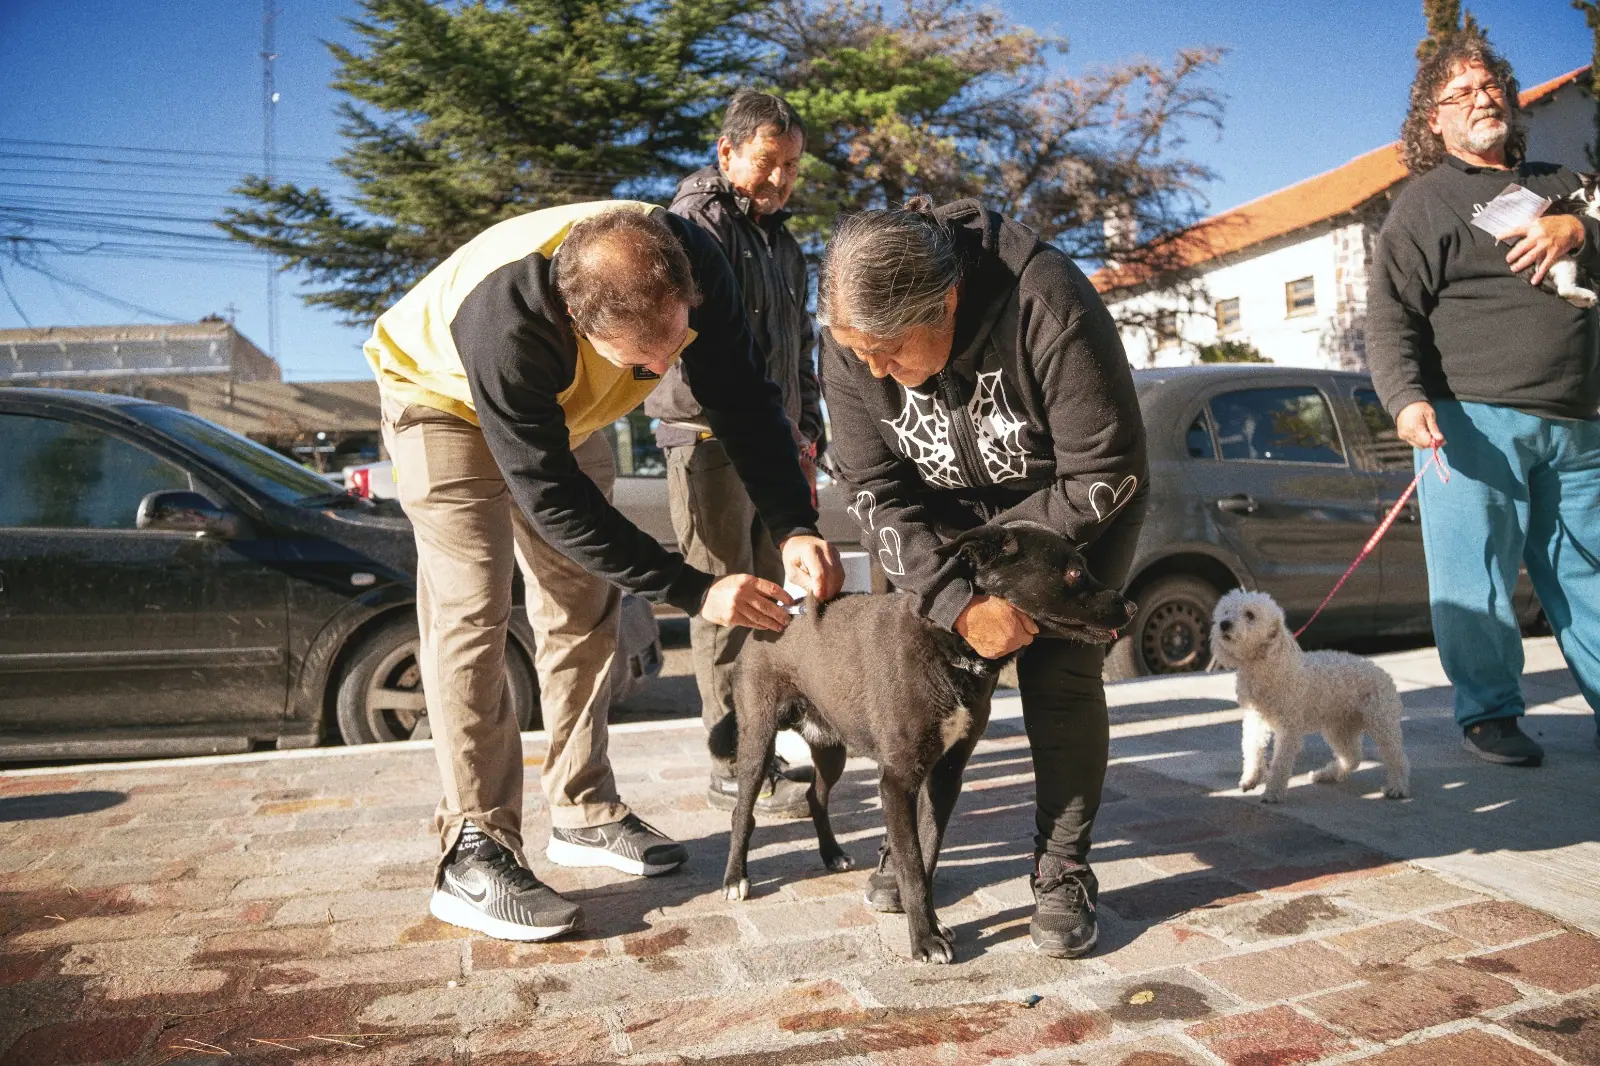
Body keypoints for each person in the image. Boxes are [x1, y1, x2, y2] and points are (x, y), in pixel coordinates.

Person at [366, 201, 843, 942]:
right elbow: (553, 500)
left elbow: (744, 400)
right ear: (575, 320)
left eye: (674, 347)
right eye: (640, 366)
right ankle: (473, 847)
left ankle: (582, 808)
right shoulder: (505, 322)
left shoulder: (695, 262)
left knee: (584, 606)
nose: (661, 372)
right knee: (472, 611)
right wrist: (695, 589)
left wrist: (794, 525)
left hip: (562, 410)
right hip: (440, 400)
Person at [817, 196, 1148, 958]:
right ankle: (907, 843)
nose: (875, 371)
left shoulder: (1047, 301)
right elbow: (872, 488)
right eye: (857, 351)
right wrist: (957, 598)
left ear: (947, 301)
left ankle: (1062, 867)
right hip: (946, 529)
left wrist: (1005, 583)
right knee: (915, 677)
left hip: (1072, 509)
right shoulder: (850, 344)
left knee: (1060, 676)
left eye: (889, 350)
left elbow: (1103, 467)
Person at [1368, 30, 1600, 767]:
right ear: (1433, 120)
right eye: (1460, 92)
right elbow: (1390, 316)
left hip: (1578, 421)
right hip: (1471, 419)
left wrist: (1578, 228)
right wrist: (1405, 399)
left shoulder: (1563, 181)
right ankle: (1490, 713)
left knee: (1589, 574)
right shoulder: (1422, 205)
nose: (1481, 99)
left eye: (1490, 85)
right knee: (1478, 577)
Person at [648, 89, 826, 819]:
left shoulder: (784, 244)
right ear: (726, 153)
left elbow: (801, 348)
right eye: (767, 162)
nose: (781, 180)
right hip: (708, 441)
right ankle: (730, 762)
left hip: (776, 448)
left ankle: (763, 744)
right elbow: (693, 351)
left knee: (774, 603)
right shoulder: (694, 225)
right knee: (725, 600)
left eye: (792, 166)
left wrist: (806, 431)